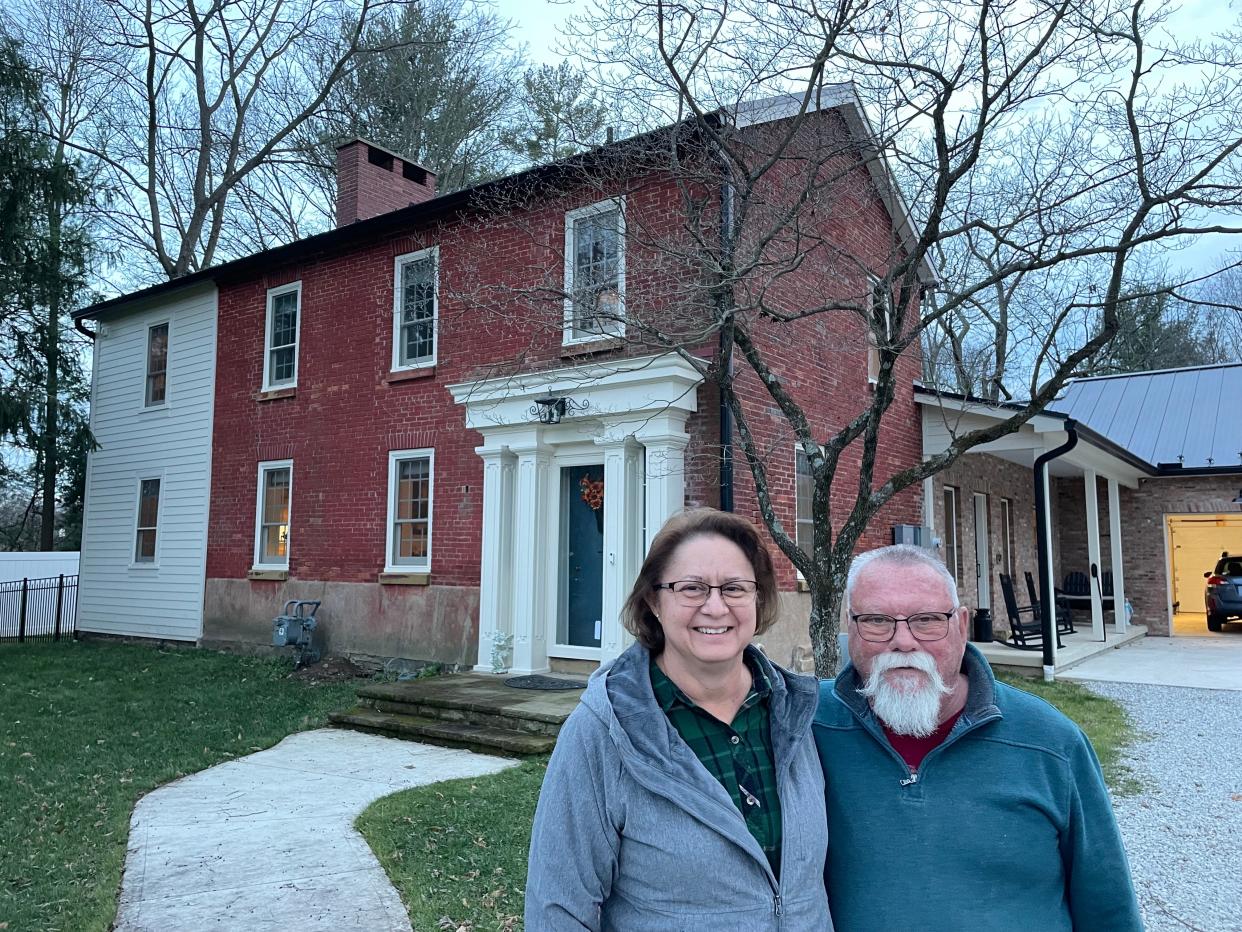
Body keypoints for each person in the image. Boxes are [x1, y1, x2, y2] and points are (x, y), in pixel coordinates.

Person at [525, 508, 831, 930]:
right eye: (691, 588)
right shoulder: (603, 732)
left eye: (735, 588)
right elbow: (558, 909)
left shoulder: (795, 714)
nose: (715, 606)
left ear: (758, 599)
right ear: (653, 600)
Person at [813, 544, 1142, 932]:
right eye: (876, 620)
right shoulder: (805, 727)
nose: (903, 641)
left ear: (962, 625)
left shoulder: (1050, 743)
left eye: (928, 620)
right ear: (850, 627)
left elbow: (1108, 907)